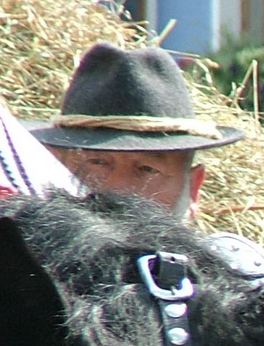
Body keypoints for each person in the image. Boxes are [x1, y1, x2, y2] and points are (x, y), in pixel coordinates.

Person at [31, 42, 242, 220]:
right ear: (54, 169)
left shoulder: (212, 269)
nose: (118, 189)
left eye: (148, 169)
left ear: (192, 188)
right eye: (97, 163)